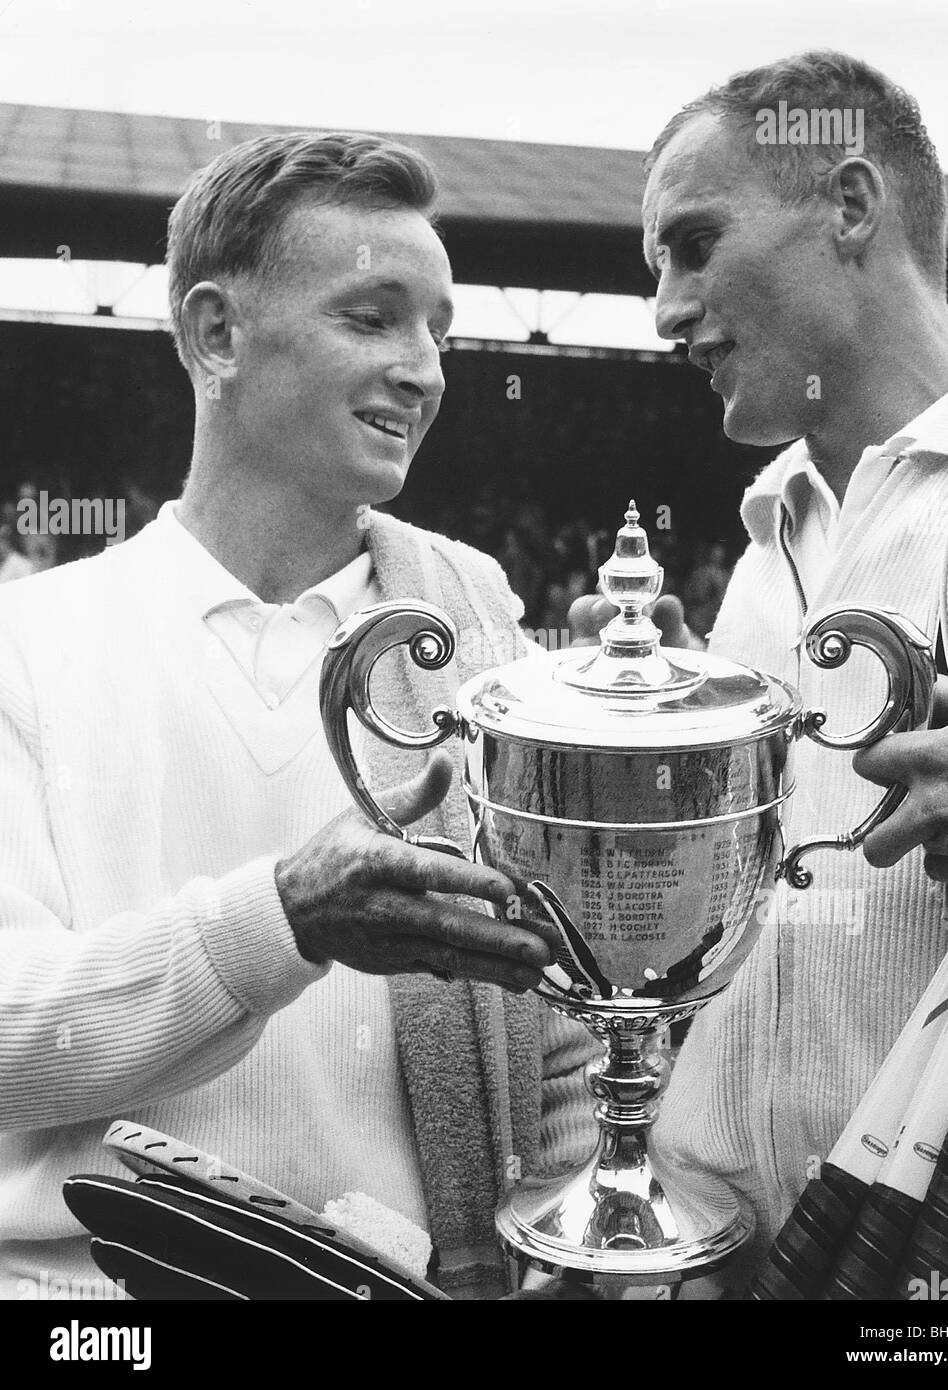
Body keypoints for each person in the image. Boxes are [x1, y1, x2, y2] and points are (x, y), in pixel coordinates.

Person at [0, 131, 596, 1301]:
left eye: (440, 330)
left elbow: (564, 1002)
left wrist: (570, 1238)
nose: (423, 368)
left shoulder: (476, 637)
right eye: (373, 317)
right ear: (216, 335)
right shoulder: (31, 647)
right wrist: (279, 922)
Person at [604, 50, 948, 1294]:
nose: (666, 310)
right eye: (655, 270)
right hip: (752, 1259)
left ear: (849, 205)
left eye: (693, 244)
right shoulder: (759, 540)